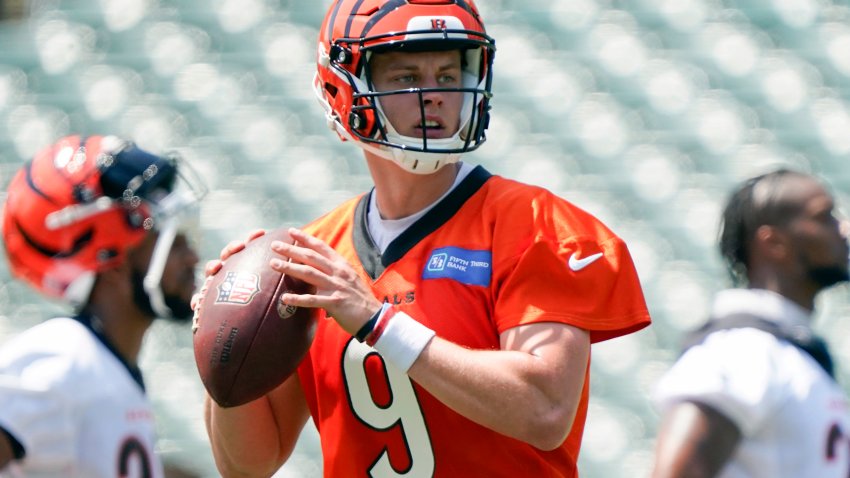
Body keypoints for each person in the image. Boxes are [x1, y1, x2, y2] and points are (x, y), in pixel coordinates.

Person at [197, 0, 651, 476]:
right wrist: (220, 337)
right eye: (405, 75)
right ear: (343, 87)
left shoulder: (538, 225)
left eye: (449, 73)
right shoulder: (316, 253)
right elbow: (248, 465)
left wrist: (379, 323)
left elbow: (545, 409)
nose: (433, 95)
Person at [0, 135, 206, 477]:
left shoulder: (99, 363)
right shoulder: (62, 358)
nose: (192, 257)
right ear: (112, 256)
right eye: (173, 239)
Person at [651, 169, 850, 478]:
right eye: (824, 217)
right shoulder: (745, 349)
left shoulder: (787, 351)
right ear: (774, 243)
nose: (844, 228)